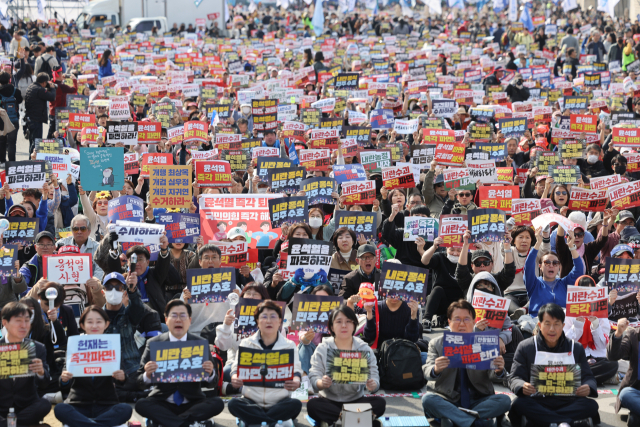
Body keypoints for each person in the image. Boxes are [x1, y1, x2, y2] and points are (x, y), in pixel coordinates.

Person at [135, 300, 225, 427]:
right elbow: (139, 382)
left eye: (183, 316)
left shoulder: (200, 343)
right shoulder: (154, 343)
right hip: (163, 401)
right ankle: (189, 424)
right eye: (174, 315)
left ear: (189, 320)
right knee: (141, 405)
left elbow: (212, 383)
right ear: (166, 319)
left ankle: (169, 423)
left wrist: (210, 373)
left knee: (217, 403)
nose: (178, 320)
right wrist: (147, 375)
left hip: (192, 403)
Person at [422, 299, 511, 427]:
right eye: (457, 319)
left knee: (504, 400)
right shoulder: (437, 343)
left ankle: (458, 419)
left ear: (474, 321)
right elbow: (427, 370)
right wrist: (435, 369)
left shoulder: (484, 342)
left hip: (479, 399)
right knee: (428, 400)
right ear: (449, 322)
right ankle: (473, 421)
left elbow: (492, 376)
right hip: (447, 399)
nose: (462, 324)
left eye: (466, 319)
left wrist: (498, 370)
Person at [508, 303, 600, 426]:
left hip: (568, 402)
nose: (552, 329)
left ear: (563, 326)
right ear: (540, 325)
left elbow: (588, 377)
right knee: (518, 404)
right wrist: (522, 385)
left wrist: (588, 387)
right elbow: (514, 377)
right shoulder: (526, 347)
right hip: (537, 401)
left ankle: (547, 422)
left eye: (556, 324)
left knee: (591, 406)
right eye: (547, 324)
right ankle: (563, 422)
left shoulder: (575, 347)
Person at [307, 305, 386, 426]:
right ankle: (355, 420)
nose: (344, 325)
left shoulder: (364, 349)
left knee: (380, 403)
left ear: (354, 325)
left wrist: (373, 385)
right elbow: (314, 376)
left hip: (356, 401)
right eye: (339, 321)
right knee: (312, 406)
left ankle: (340, 421)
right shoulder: (322, 348)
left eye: (348, 321)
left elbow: (375, 378)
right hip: (329, 401)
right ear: (332, 327)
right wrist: (321, 383)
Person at [54, 306, 133, 427]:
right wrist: (64, 379)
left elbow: (124, 382)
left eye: (99, 322)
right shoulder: (75, 346)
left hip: (106, 405)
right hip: (78, 405)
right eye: (90, 322)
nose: (94, 326)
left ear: (106, 324)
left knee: (125, 409)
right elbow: (63, 384)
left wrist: (122, 377)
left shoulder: (113, 346)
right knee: (60, 408)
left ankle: (87, 425)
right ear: (82, 325)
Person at [228, 300, 303, 426]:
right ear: (257, 321)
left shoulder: (289, 345)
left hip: (279, 402)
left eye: (273, 316)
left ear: (280, 321)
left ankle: (257, 422)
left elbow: (296, 370)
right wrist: (235, 377)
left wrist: (296, 380)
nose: (268, 321)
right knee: (233, 404)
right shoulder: (246, 343)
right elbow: (236, 368)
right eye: (264, 317)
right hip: (251, 401)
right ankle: (272, 423)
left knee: (295, 404)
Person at [0, 301, 51, 427]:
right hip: (1, 408)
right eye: (18, 321)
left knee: (44, 404)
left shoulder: (38, 348)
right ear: (5, 323)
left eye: (27, 320)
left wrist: (41, 372)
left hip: (26, 406)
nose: (24, 325)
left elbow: (44, 384)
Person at [214, 285, 269, 395]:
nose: (251, 296)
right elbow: (222, 346)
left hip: (264, 361)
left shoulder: (270, 317)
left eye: (255, 294)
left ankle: (240, 387)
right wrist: (226, 325)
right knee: (226, 373)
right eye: (248, 293)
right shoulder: (234, 316)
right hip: (236, 363)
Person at [564, 275, 618, 386]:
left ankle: (578, 378)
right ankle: (594, 379)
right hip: (576, 357)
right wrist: (578, 325)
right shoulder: (568, 313)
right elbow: (566, 343)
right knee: (565, 364)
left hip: (597, 358)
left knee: (613, 364)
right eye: (583, 290)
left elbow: (602, 345)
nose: (587, 294)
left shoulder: (601, 314)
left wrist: (595, 325)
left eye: (590, 290)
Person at [524, 227, 584, 317]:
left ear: (559, 267)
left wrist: (571, 247)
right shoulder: (534, 284)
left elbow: (579, 268)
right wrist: (538, 243)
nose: (551, 265)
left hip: (562, 324)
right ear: (540, 266)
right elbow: (528, 266)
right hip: (538, 324)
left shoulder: (564, 283)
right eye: (547, 262)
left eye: (555, 263)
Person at [607, 317, 640, 425]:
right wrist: (618, 333)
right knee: (625, 394)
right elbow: (613, 356)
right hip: (636, 391)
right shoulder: (633, 335)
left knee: (634, 420)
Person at [24, 72, 56, 153]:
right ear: (44, 82)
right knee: (36, 143)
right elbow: (52, 97)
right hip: (36, 120)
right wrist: (52, 88)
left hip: (30, 119)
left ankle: (30, 160)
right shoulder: (40, 90)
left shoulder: (31, 86)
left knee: (32, 142)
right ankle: (33, 162)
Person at [0, 70, 22, 164]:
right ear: (9, 79)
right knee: (12, 142)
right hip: (14, 119)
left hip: (1, 120)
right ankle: (12, 162)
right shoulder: (15, 90)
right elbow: (20, 100)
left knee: (2, 141)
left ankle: (2, 161)